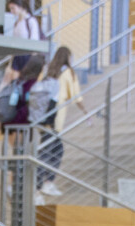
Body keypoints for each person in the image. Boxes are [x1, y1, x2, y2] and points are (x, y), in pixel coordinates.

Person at [36, 47, 86, 195]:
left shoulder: (50, 71)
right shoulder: (68, 72)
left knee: (52, 149)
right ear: (68, 58)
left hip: (44, 115)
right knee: (50, 151)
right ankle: (40, 186)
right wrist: (85, 111)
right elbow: (77, 96)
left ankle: (44, 183)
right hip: (56, 117)